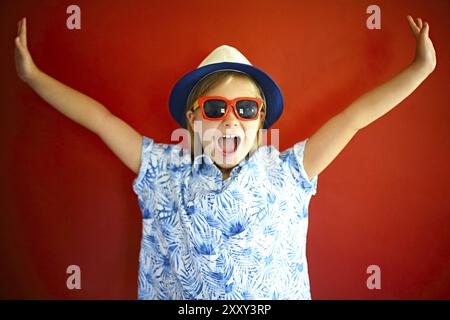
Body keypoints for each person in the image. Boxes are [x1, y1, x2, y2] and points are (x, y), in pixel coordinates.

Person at [14, 15, 436, 299]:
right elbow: (101, 119)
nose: (229, 122)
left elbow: (354, 118)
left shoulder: (291, 171)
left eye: (245, 109)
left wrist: (419, 69)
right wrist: (32, 76)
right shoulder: (163, 170)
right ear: (193, 119)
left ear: (260, 119)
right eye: (215, 109)